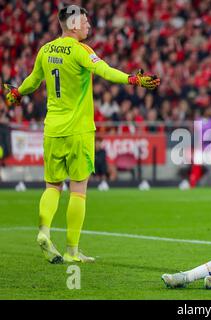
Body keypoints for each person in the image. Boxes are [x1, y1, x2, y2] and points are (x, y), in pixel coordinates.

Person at [2, 5, 160, 264]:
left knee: (52, 186)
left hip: (52, 129)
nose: (88, 26)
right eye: (85, 22)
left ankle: (44, 231)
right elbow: (105, 71)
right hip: (79, 131)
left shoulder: (45, 50)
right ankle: (72, 251)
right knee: (78, 190)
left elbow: (32, 81)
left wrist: (17, 93)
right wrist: (132, 80)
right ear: (74, 25)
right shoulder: (81, 50)